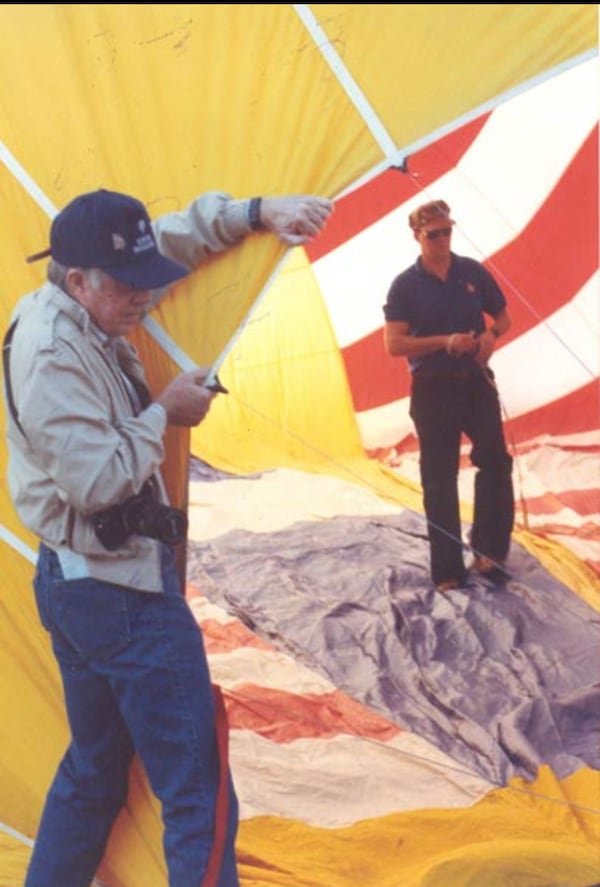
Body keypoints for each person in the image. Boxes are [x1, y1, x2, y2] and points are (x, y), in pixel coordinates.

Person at [2, 187, 333, 887]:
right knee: (198, 792)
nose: (144, 299)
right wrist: (166, 414)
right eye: (127, 287)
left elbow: (168, 243)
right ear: (79, 280)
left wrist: (255, 214)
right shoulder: (49, 355)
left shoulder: (79, 299)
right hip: (120, 592)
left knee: (93, 771)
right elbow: (99, 480)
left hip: (77, 585)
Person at [382, 199, 514, 592]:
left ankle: (490, 552)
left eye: (447, 231)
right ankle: (447, 569)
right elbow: (394, 344)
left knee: (494, 461)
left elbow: (504, 317)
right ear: (417, 236)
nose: (442, 239)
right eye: (433, 234)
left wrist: (490, 337)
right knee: (438, 477)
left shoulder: (471, 272)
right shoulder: (405, 284)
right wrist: (445, 342)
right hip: (432, 387)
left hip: (474, 380)